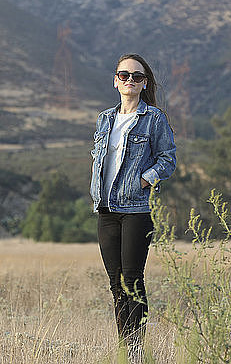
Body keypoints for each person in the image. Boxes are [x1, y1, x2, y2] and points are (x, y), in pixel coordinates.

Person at [89, 53, 177, 362]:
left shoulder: (153, 118)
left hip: (136, 210)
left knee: (132, 282)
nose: (130, 80)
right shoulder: (104, 119)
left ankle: (136, 352)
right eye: (124, 75)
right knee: (116, 285)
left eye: (137, 77)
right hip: (106, 210)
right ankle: (125, 351)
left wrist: (143, 180)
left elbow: (168, 159)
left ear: (144, 84)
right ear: (115, 81)